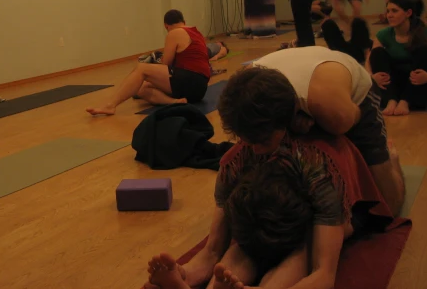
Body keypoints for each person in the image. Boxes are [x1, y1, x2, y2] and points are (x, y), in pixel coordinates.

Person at [143, 68, 397, 289]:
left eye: (263, 141)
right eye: (247, 142)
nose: (256, 149)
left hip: (324, 210)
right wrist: (187, 269)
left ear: (286, 126)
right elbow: (212, 248)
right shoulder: (235, 161)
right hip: (280, 203)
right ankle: (190, 278)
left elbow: (324, 274)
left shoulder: (318, 167)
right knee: (246, 244)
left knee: (303, 242)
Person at [249, 47, 404, 217]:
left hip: (351, 104)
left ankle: (392, 158)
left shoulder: (335, 110)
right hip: (300, 82)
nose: (255, 149)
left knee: (389, 209)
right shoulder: (246, 89)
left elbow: (355, 116)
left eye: (261, 142)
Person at [86, 10, 210, 116]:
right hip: (200, 90)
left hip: (189, 81)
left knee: (142, 69)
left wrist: (153, 72)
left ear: (166, 26)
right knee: (140, 89)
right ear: (183, 20)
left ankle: (110, 105)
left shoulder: (174, 33)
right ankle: (175, 102)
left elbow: (166, 64)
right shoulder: (196, 33)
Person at [369, 0, 427, 117]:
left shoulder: (424, 32)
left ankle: (405, 101)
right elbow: (371, 60)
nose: (389, 15)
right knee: (377, 52)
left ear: (408, 13)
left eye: (394, 11)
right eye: (388, 11)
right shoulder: (383, 34)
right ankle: (391, 100)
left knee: (425, 50)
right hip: (397, 84)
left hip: (421, 83)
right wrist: (371, 77)